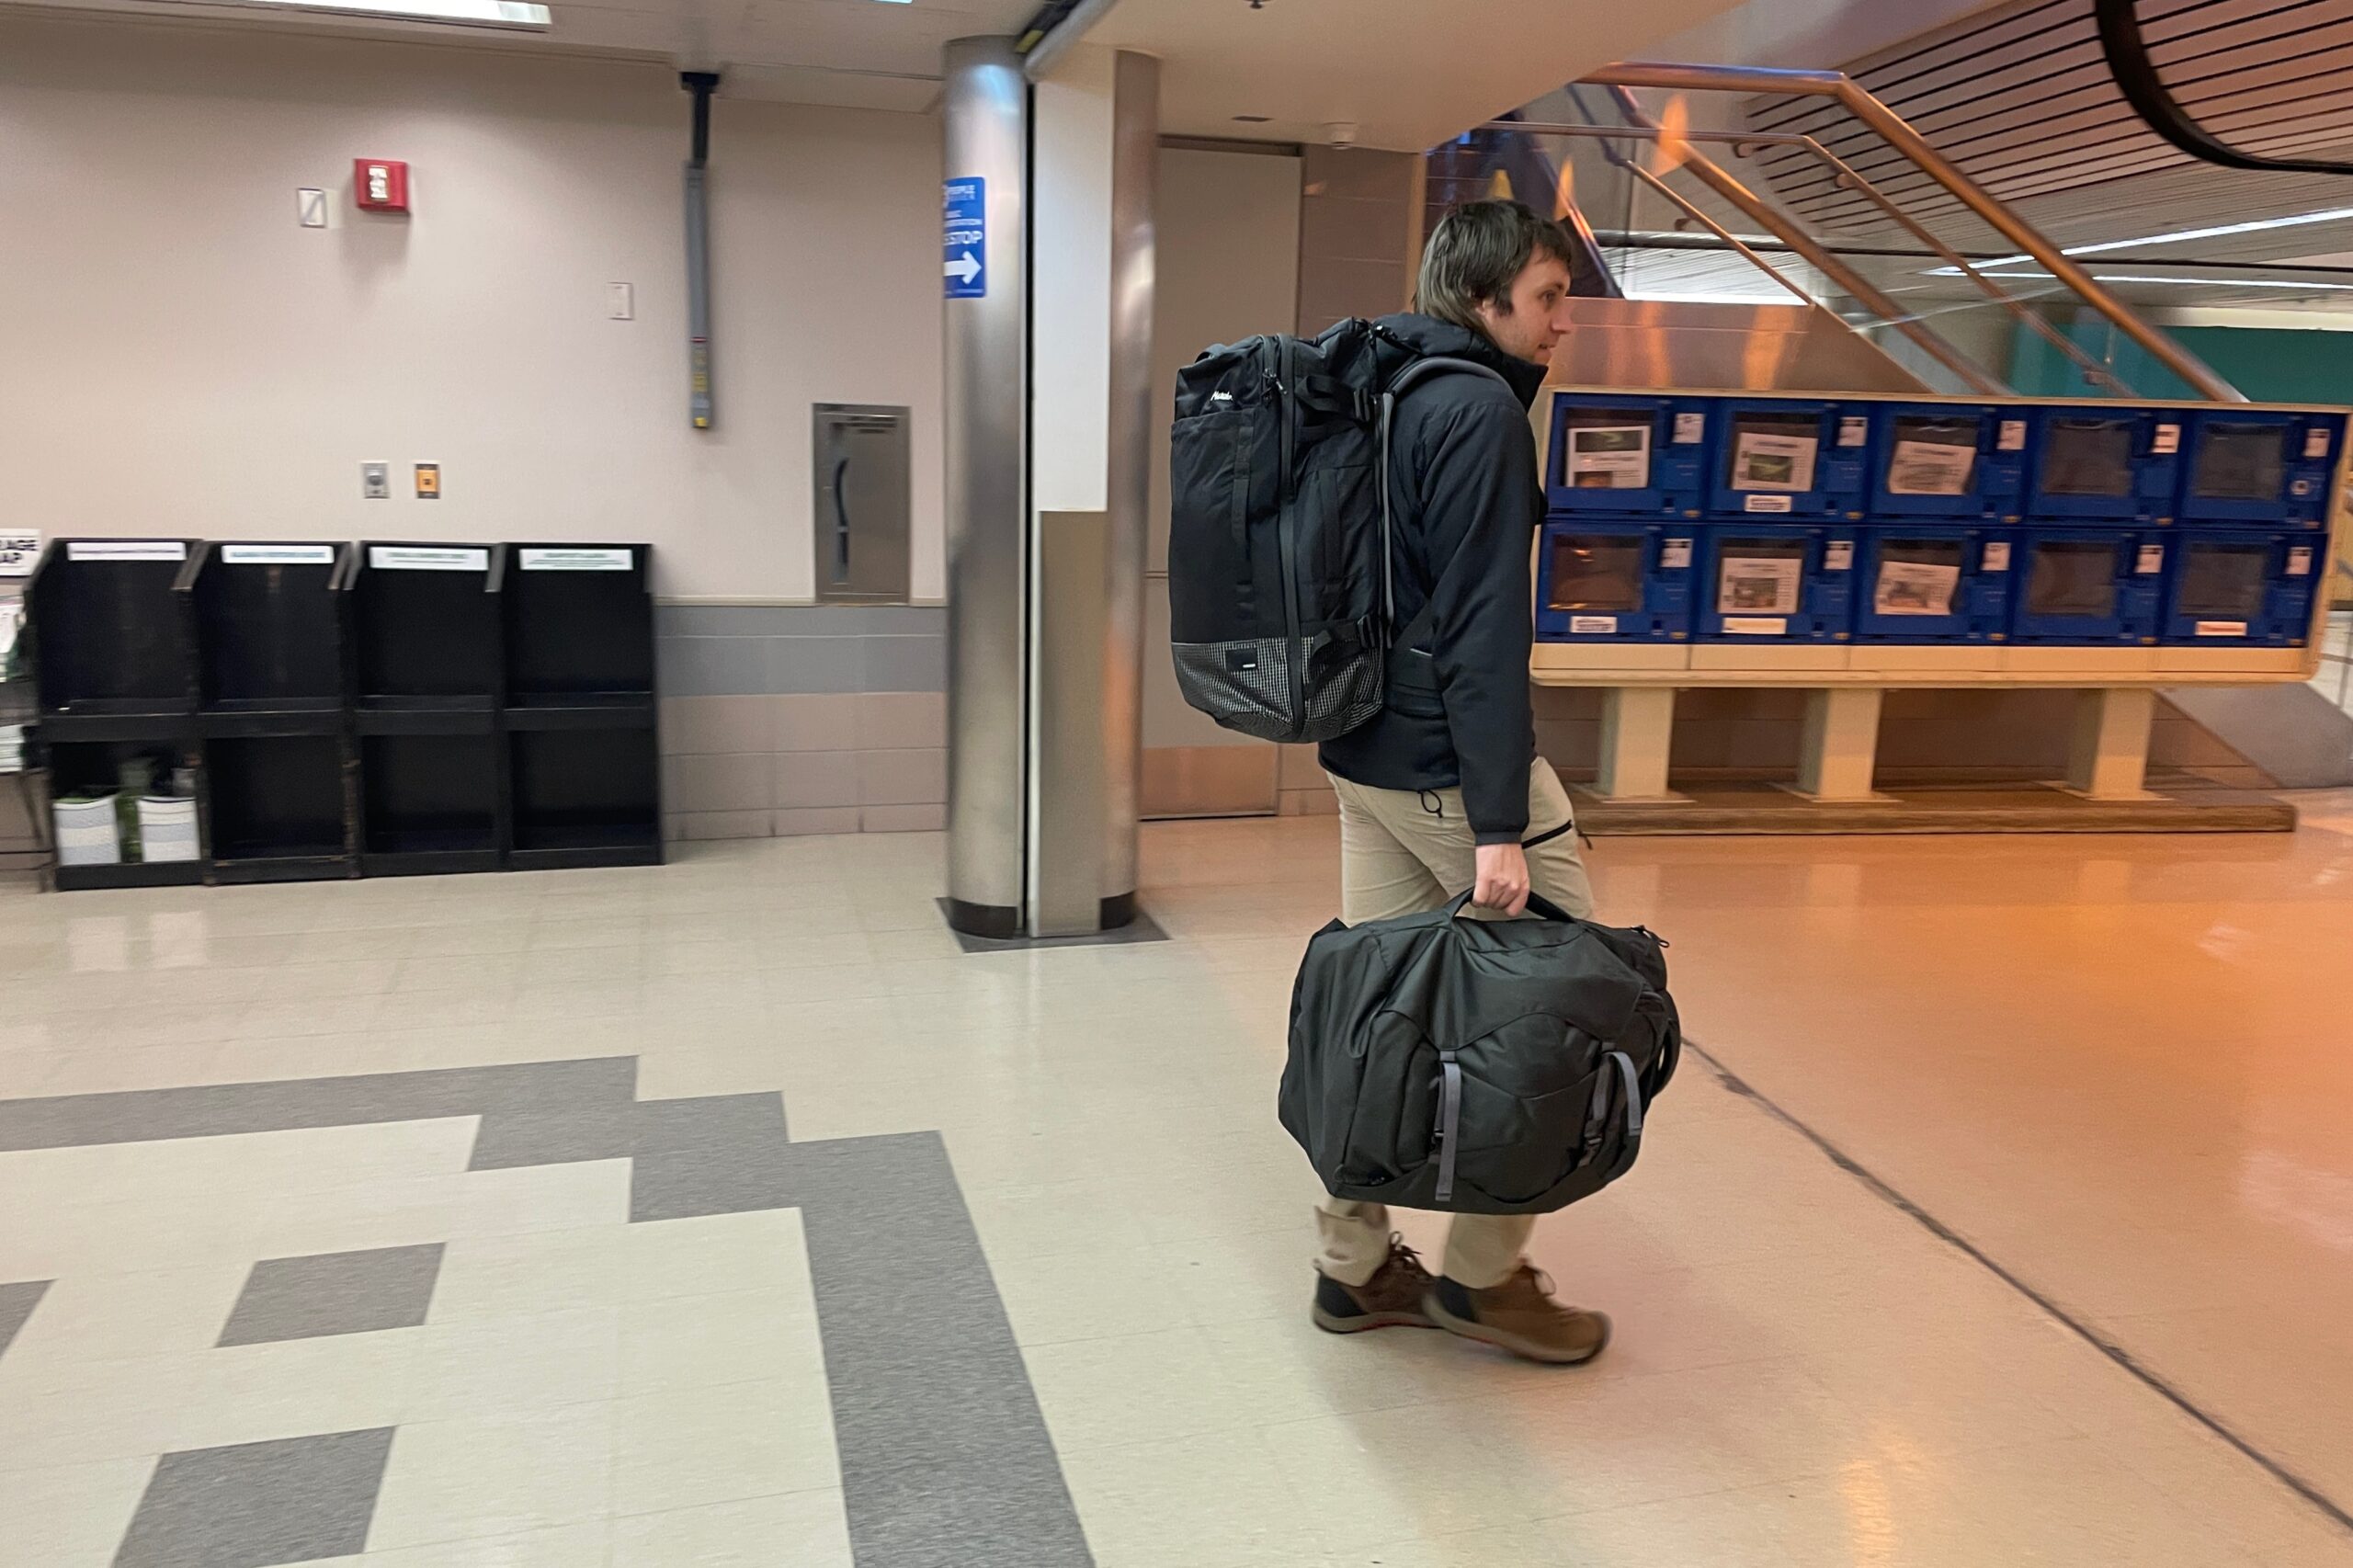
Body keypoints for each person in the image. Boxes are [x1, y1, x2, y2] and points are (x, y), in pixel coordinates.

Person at [1309, 199, 1608, 1366]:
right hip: (1446, 768)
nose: (1560, 324)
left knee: (1375, 1015)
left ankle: (1351, 1265)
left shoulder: (1378, 387)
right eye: (1544, 299)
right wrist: (1498, 824)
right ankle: (1482, 1279)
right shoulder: (1478, 411)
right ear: (1482, 302)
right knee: (1567, 1002)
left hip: (1361, 754)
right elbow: (1485, 631)